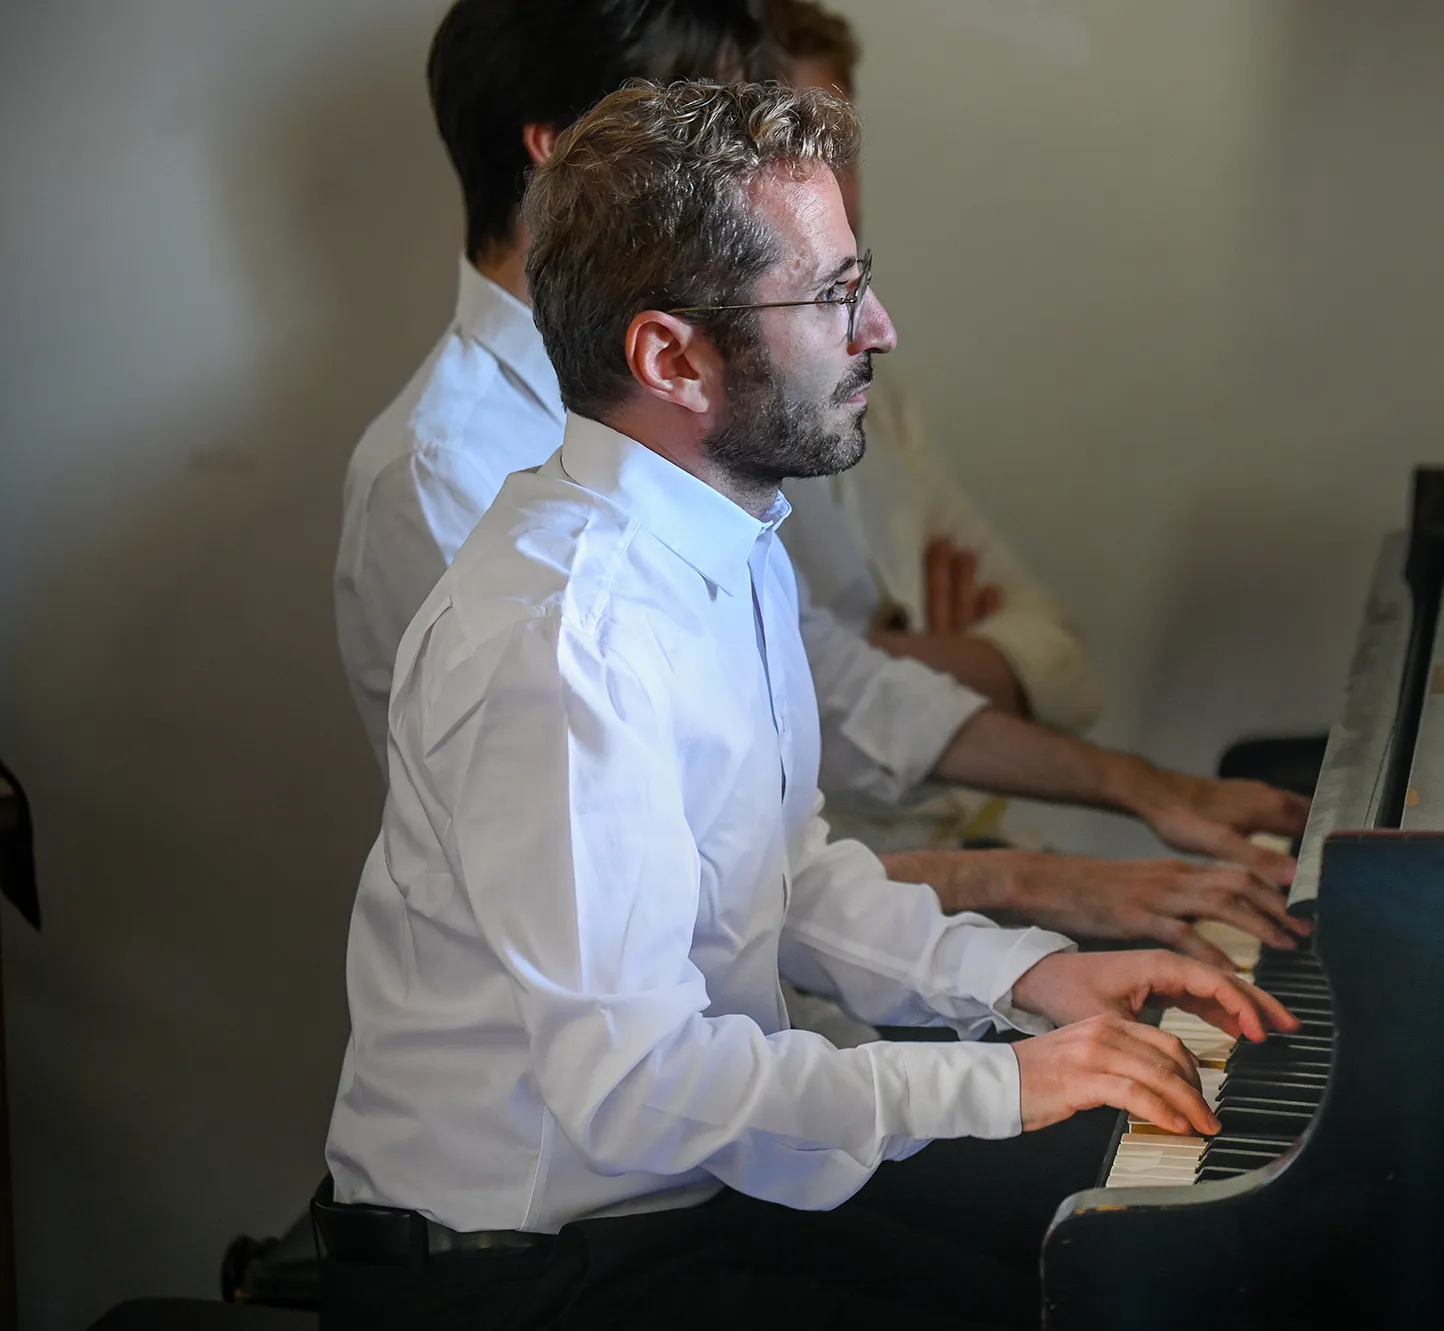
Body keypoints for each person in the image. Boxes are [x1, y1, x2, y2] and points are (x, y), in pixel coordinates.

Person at [315, 78, 1297, 1329]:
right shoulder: (564, 642)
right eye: (831, 293)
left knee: (1108, 1247)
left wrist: (1028, 981)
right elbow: (633, 1088)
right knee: (1082, 1288)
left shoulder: (724, 529)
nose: (878, 325)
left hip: (665, 1187)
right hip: (528, 1265)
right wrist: (1000, 1088)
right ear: (670, 355)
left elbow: (780, 884)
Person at [333, 0, 1313, 976]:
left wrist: (1140, 788)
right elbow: (669, 915)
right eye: (698, 112)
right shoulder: (441, 471)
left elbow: (832, 683)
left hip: (800, 1008)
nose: (743, 145)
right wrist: (1028, 888)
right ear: (553, 155)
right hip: (636, 1069)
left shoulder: (703, 393)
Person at [767, 0, 1102, 859]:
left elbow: (1063, 659)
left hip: (974, 847)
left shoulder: (883, 391)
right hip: (850, 904)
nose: (833, 188)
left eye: (840, 147)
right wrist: (947, 656)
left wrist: (900, 654)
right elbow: (793, 701)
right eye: (797, 148)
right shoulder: (683, 427)